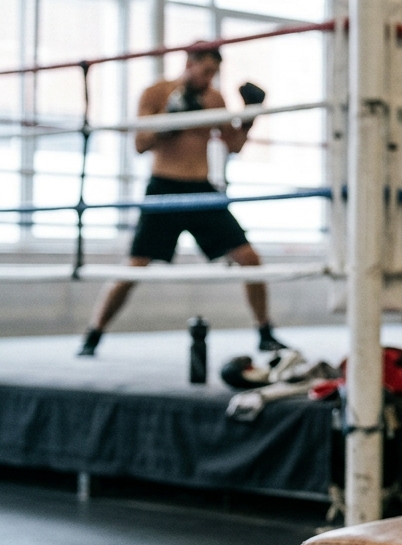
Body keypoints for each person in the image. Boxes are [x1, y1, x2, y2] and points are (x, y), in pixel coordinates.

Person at [78, 46, 285, 356]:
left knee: (249, 259)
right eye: (204, 72)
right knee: (134, 267)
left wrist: (250, 116)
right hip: (164, 189)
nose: (208, 79)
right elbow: (140, 144)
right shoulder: (156, 92)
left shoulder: (214, 99)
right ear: (189, 63)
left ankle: (265, 333)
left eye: (213, 74)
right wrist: (171, 119)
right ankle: (93, 335)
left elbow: (234, 146)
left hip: (202, 190)